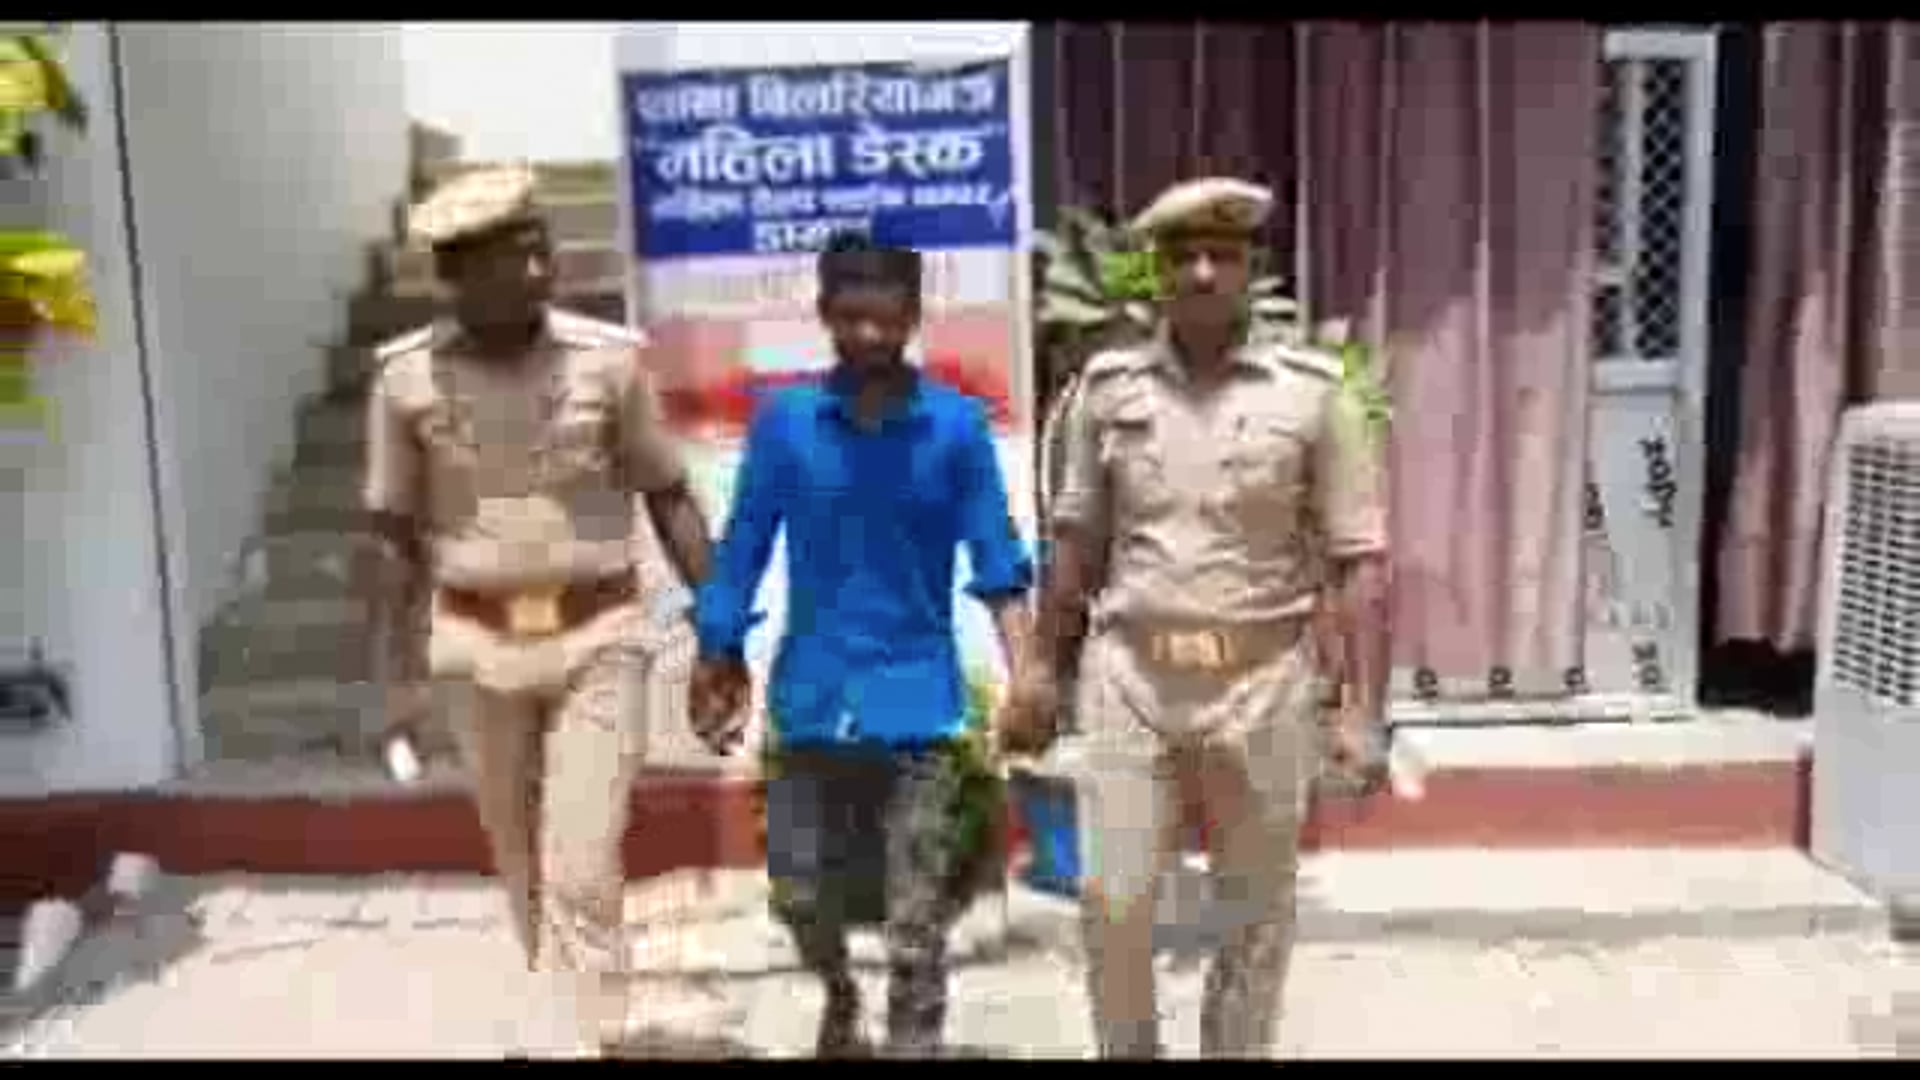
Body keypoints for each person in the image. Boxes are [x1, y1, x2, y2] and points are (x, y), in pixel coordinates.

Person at [998, 177, 1392, 1059]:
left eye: (1223, 255)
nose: (1203, 272)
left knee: (1256, 914)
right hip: (1132, 678)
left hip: (1263, 682)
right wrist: (1041, 669)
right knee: (1113, 901)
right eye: (1183, 256)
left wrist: (1362, 711)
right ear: (1157, 271)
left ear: (1252, 268)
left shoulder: (1315, 394)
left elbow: (1358, 559)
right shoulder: (1106, 391)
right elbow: (1075, 542)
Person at [359, 165, 716, 1057]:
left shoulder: (608, 362)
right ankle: (563, 1022)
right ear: (455, 275)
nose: (536, 268)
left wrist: (722, 627)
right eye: (509, 257)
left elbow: (669, 493)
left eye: (539, 248)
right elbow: (391, 536)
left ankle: (590, 1038)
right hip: (475, 645)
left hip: (599, 636)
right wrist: (394, 677)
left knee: (582, 864)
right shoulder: (405, 382)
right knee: (518, 856)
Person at [687, 231, 1036, 1058]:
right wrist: (716, 654)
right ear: (824, 315)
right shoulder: (786, 426)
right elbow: (743, 549)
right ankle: (840, 995)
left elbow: (997, 561)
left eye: (886, 318)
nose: (869, 336)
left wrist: (1027, 678)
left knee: (916, 916)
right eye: (851, 318)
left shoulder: (955, 428)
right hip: (813, 699)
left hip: (919, 703)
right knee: (800, 893)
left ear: (914, 317)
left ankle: (915, 1041)